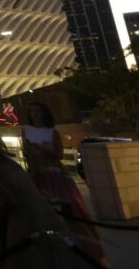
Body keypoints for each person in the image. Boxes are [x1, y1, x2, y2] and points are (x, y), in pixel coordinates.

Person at [0, 125, 78, 269]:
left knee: (25, 261)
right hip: (42, 212)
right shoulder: (7, 161)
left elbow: (9, 202)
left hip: (21, 221)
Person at [21, 102, 107, 264]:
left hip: (54, 175)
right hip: (35, 174)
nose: (34, 114)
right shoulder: (26, 130)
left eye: (38, 111)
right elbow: (26, 153)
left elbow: (59, 154)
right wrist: (30, 152)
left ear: (44, 113)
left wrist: (41, 149)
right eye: (32, 111)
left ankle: (75, 244)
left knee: (68, 209)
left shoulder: (52, 132)